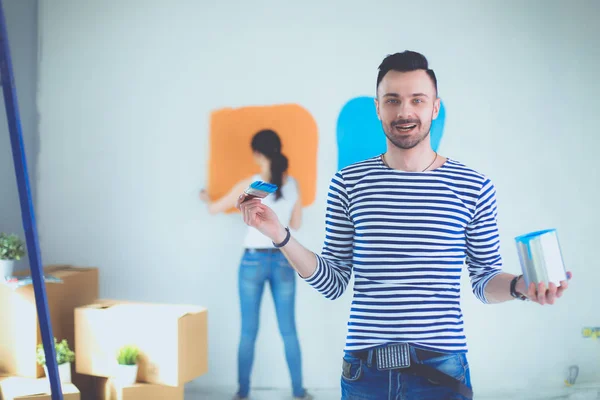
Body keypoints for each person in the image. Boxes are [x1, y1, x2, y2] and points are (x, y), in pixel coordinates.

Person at [236, 51, 573, 399]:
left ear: (435, 107)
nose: (404, 112)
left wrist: (521, 286)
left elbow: (484, 279)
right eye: (393, 100)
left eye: (417, 100)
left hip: (441, 371)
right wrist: (279, 234)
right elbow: (333, 282)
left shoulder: (473, 186)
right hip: (365, 373)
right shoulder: (349, 183)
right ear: (378, 108)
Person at [199, 129, 312, 400]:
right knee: (289, 330)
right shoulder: (293, 184)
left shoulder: (250, 185)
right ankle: (299, 392)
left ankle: (242, 393)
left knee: (248, 331)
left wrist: (206, 198)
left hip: (252, 261)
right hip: (284, 260)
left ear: (257, 153)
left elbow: (214, 208)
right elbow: (296, 225)